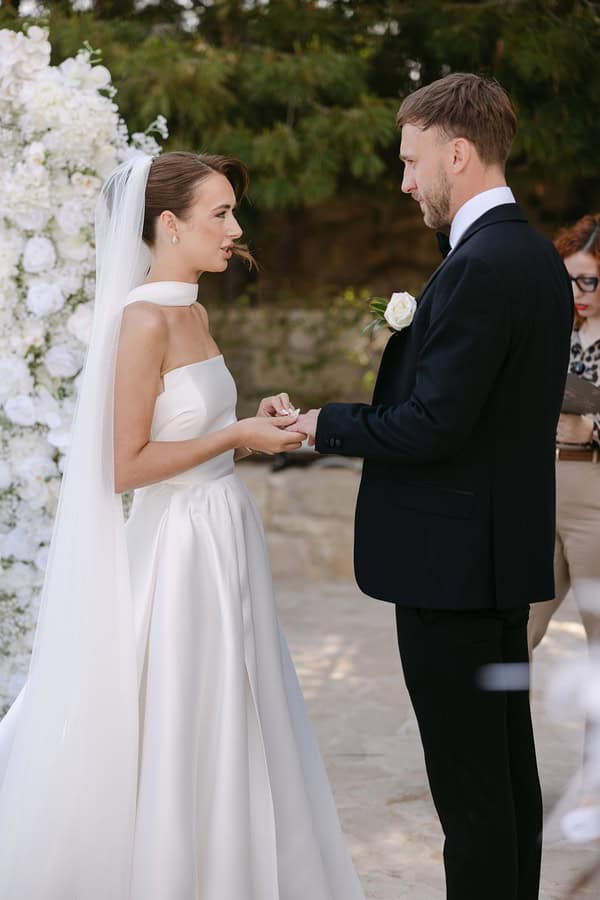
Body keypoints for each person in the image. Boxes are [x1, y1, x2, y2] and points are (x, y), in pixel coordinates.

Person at [0, 151, 365, 900]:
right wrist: (234, 436)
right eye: (220, 214)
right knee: (181, 706)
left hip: (223, 530)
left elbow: (190, 428)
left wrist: (252, 424)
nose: (236, 229)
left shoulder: (193, 310)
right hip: (177, 549)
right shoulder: (141, 320)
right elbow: (125, 465)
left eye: (233, 213)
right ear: (169, 224)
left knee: (239, 706)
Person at [293, 73, 573, 900]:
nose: (404, 182)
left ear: (457, 153)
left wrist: (322, 423)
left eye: (412, 161)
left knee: (471, 790)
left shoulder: (483, 264)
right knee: (504, 776)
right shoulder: (528, 255)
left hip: (452, 572)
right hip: (493, 562)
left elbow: (431, 426)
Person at [528, 214, 600, 653]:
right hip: (542, 493)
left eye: (588, 281)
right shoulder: (558, 334)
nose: (577, 293)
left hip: (594, 498)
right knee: (518, 630)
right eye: (569, 280)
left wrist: (589, 426)